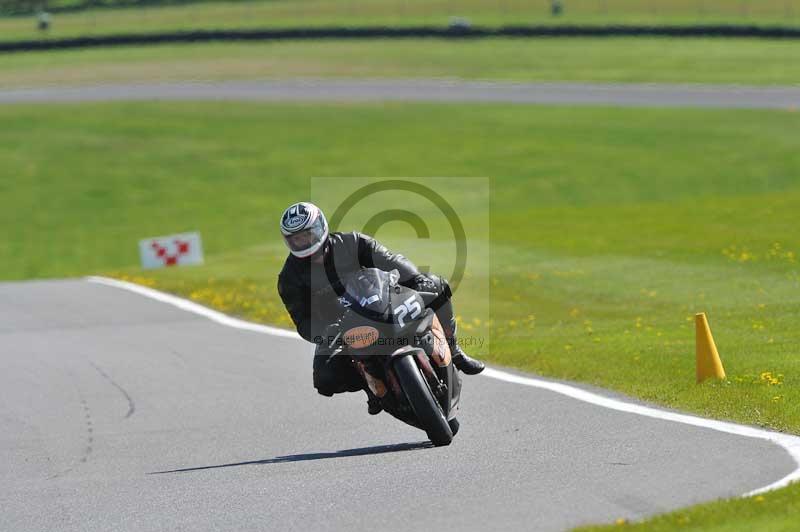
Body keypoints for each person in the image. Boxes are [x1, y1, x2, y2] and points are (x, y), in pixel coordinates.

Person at [277, 202, 484, 415]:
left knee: (436, 285)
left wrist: (416, 279)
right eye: (296, 238)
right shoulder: (289, 278)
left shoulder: (353, 242)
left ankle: (455, 350)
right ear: (288, 241)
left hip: (380, 301)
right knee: (325, 378)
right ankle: (372, 389)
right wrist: (324, 332)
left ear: (321, 228)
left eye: (306, 234)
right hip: (342, 327)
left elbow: (389, 259)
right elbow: (302, 321)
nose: (302, 242)